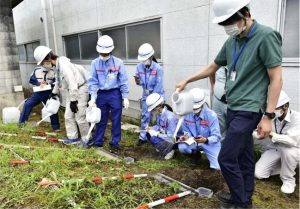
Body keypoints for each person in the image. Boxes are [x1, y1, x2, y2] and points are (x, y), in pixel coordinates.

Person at [176, 0, 283, 207]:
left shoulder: (265, 36)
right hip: (233, 107)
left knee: (226, 157)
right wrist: (187, 80)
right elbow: (213, 66)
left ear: (245, 13)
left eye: (230, 21)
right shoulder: (233, 41)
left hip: (249, 109)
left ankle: (241, 203)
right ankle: (242, 196)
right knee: (243, 156)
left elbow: (276, 78)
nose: (228, 26)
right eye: (224, 23)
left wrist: (268, 116)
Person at [34, 46, 90, 147]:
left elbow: (72, 82)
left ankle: (87, 139)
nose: (44, 65)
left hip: (80, 90)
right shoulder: (57, 67)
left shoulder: (64, 65)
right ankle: (73, 138)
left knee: (80, 117)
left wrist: (73, 101)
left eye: (43, 63)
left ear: (48, 58)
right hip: (71, 91)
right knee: (68, 116)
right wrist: (54, 92)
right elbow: (58, 81)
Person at [88, 35, 129, 154]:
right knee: (100, 119)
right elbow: (93, 82)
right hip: (101, 94)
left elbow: (123, 81)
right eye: (102, 53)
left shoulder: (118, 63)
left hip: (114, 94)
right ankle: (98, 141)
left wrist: (125, 97)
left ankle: (115, 142)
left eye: (106, 53)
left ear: (111, 50)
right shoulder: (95, 63)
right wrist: (93, 97)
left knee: (116, 119)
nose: (103, 55)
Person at [254, 91, 300, 194]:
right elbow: (260, 130)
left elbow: (292, 141)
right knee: (258, 173)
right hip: (275, 148)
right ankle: (284, 168)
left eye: (276, 108)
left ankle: (288, 180)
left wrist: (270, 134)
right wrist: (258, 133)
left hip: (293, 149)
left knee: (288, 152)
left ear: (285, 106)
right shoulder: (269, 117)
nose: (273, 111)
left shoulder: (297, 118)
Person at [178, 88, 221, 169]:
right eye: (193, 108)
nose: (194, 109)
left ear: (202, 103)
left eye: (196, 107)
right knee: (182, 147)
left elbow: (217, 136)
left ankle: (211, 157)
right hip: (193, 142)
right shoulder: (186, 114)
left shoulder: (211, 115)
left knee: (218, 167)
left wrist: (206, 140)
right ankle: (195, 155)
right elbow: (186, 131)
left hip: (209, 143)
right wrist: (186, 137)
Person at [19, 46, 60, 131]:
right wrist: (39, 83)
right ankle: (21, 124)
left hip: (49, 93)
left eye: (49, 61)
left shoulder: (53, 71)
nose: (48, 63)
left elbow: (56, 83)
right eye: (46, 62)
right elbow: (31, 80)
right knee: (27, 104)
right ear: (42, 62)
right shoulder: (36, 70)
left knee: (52, 109)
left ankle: (56, 127)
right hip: (37, 93)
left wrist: (48, 84)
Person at [134, 43, 164, 145]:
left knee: (159, 117)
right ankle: (143, 137)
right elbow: (139, 81)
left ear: (151, 56)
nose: (144, 60)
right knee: (145, 116)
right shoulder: (139, 67)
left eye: (146, 58)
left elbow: (158, 85)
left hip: (157, 95)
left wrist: (153, 100)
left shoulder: (158, 69)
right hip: (145, 94)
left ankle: (161, 137)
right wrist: (138, 81)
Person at [145, 93, 178, 160]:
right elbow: (159, 126)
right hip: (164, 135)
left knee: (154, 138)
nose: (152, 112)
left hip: (173, 140)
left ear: (159, 106)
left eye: (153, 109)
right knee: (148, 134)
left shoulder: (170, 117)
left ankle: (170, 150)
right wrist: (152, 128)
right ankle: (162, 147)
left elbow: (171, 137)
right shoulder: (159, 114)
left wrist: (157, 134)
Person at [210, 66, 227, 141]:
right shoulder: (222, 58)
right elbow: (211, 69)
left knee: (234, 130)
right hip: (218, 99)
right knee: (218, 128)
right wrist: (213, 85)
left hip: (234, 103)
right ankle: (218, 150)